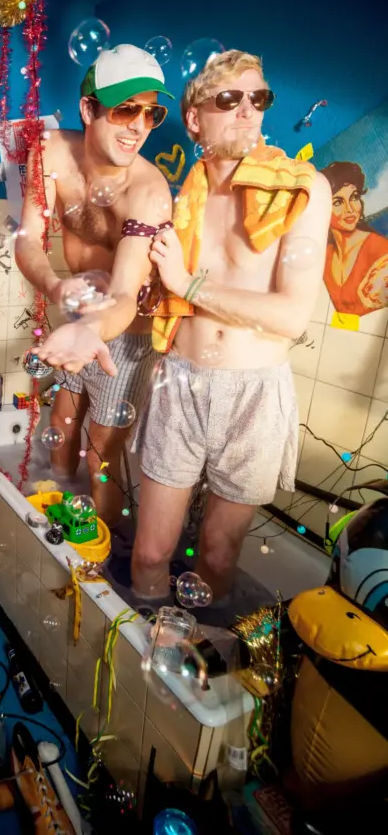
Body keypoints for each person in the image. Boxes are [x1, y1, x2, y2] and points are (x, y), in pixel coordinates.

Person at [129, 49, 331, 604]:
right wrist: (155, 290)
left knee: (217, 557)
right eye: (229, 98)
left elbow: (291, 316)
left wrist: (187, 284)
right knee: (149, 554)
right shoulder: (179, 201)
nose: (248, 111)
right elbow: (159, 295)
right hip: (180, 382)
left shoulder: (302, 192)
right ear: (195, 118)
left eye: (258, 98)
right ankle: (143, 665)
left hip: (255, 393)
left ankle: (197, 667)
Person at [15, 44, 173, 527]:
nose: (139, 126)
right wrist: (54, 287)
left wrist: (92, 328)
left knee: (100, 455)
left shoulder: (148, 191)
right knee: (60, 428)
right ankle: (54, 530)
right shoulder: (49, 153)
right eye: (126, 108)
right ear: (89, 108)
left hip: (125, 336)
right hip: (79, 315)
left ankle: (102, 569)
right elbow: (28, 239)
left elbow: (125, 294)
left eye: (152, 113)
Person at [319, 160, 388, 316]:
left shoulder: (380, 251)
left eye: (354, 197)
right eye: (338, 202)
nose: (350, 209)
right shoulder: (324, 256)